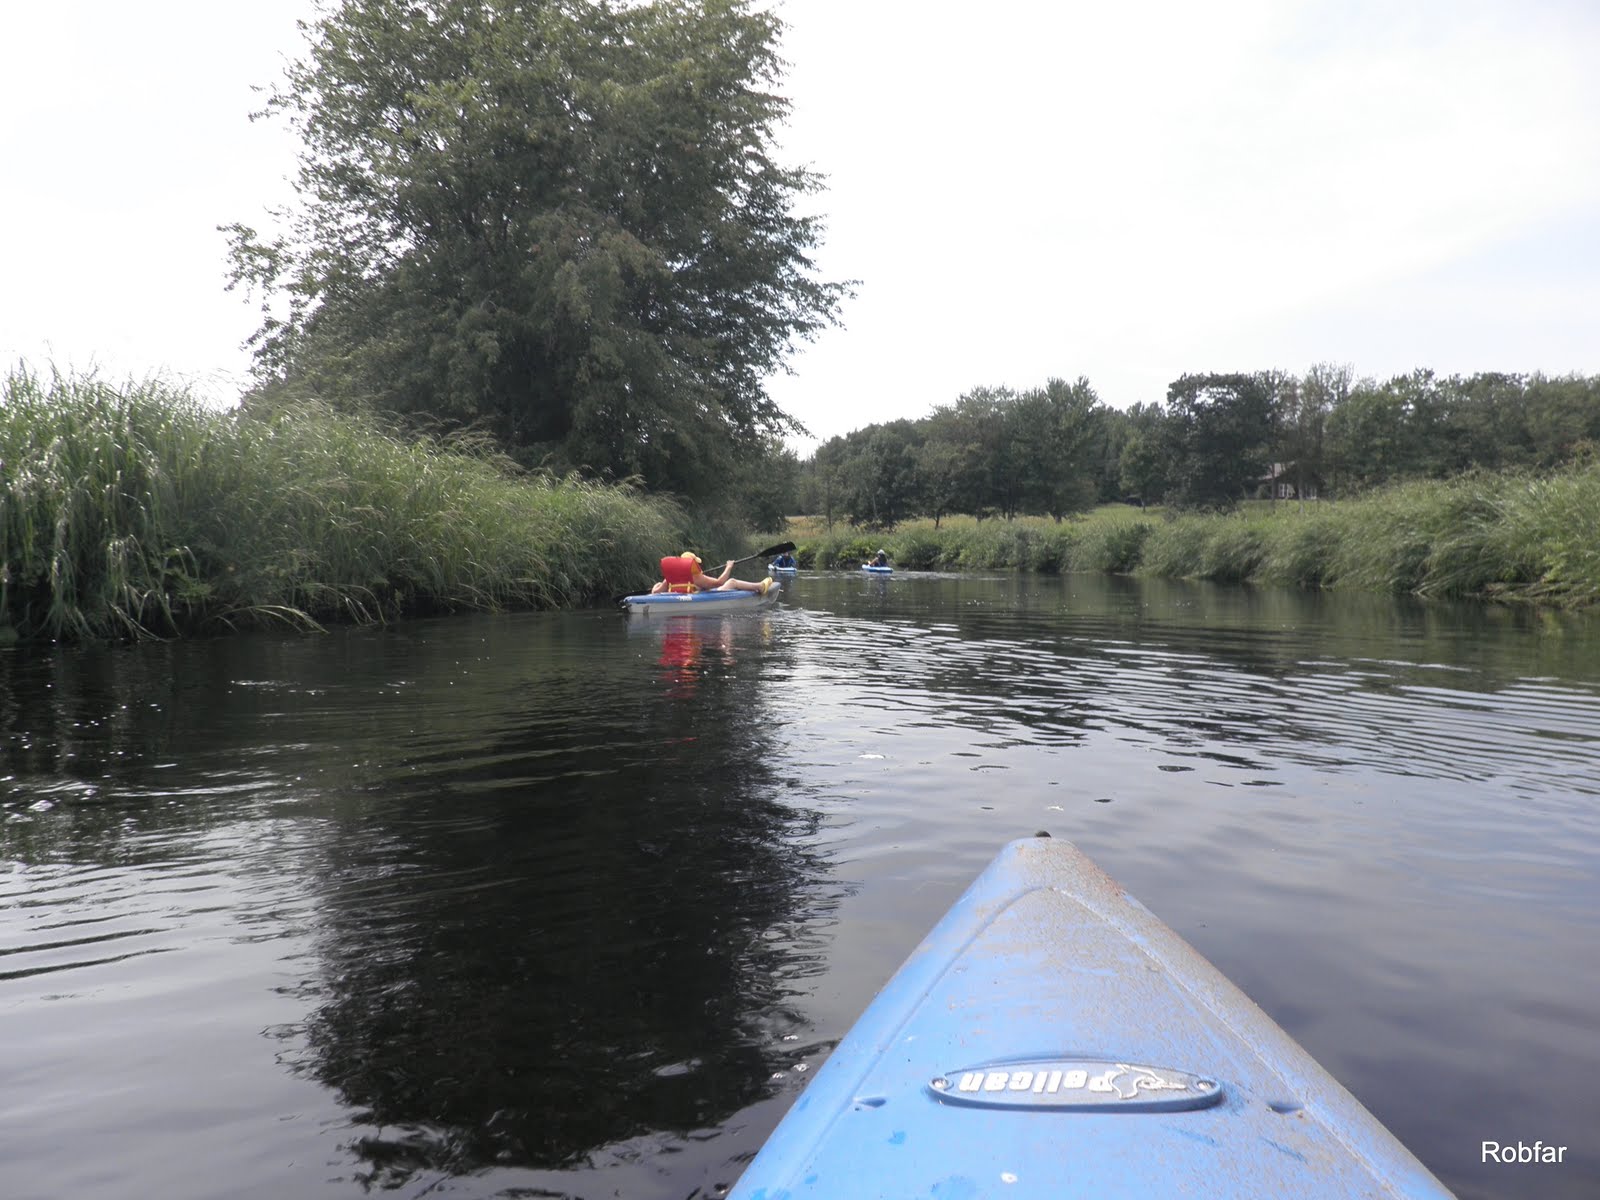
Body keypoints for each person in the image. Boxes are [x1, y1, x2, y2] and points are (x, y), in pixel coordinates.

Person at [650, 552, 774, 595]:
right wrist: (728, 567)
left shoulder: (670, 577)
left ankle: (759, 586)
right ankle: (760, 587)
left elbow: (655, 592)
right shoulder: (696, 577)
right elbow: (719, 582)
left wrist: (657, 584)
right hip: (700, 598)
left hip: (681, 598)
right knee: (732, 582)